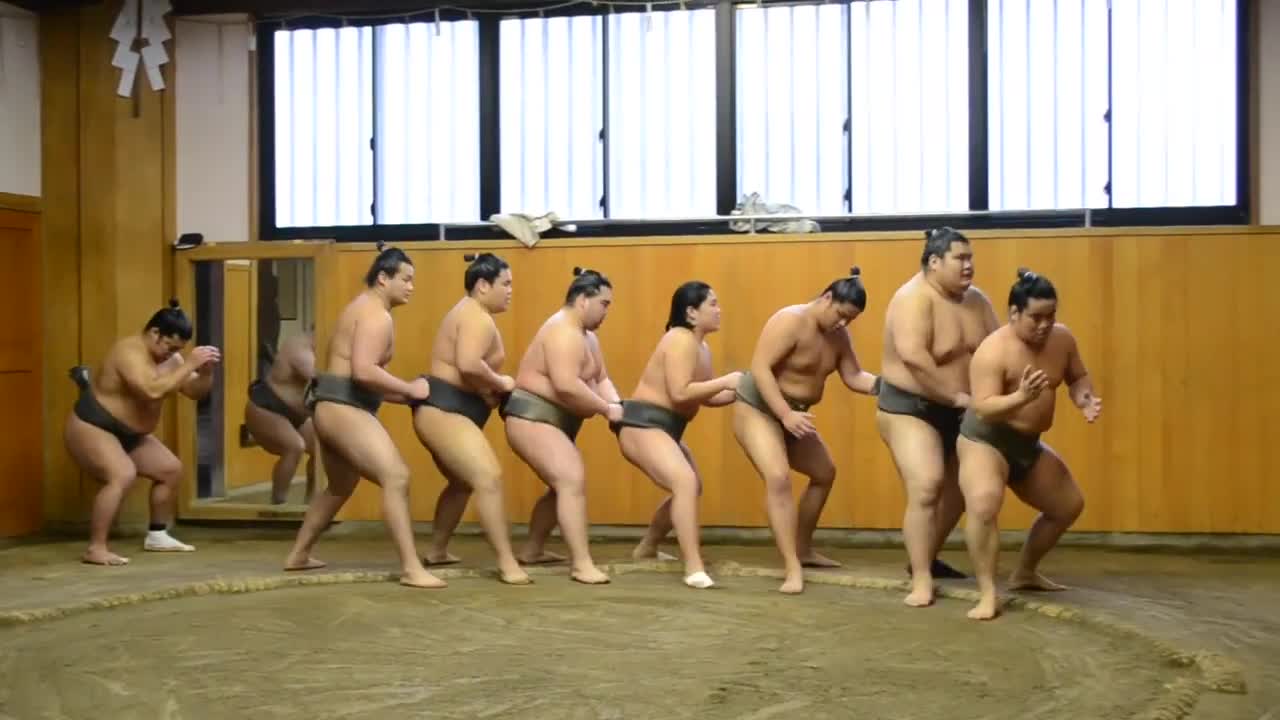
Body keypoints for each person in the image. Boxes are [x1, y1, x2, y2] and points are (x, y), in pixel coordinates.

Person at [281, 241, 444, 589]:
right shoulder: (375, 314)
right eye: (406, 279)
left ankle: (299, 554)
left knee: (340, 486)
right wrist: (410, 388)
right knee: (396, 477)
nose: (411, 287)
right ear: (383, 278)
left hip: (332, 405)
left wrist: (405, 396)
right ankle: (411, 567)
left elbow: (360, 376)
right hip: (343, 408)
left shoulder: (364, 309)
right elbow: (364, 371)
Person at [958, 268, 1100, 620]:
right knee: (984, 503)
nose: (1043, 325)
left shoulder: (1062, 340)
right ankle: (988, 593)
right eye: (1035, 317)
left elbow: (1077, 376)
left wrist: (1084, 398)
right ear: (1014, 313)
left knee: (1068, 505)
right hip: (985, 440)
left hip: (1028, 444)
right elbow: (983, 407)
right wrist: (1021, 397)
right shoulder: (993, 351)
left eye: (1050, 316)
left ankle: (1024, 572)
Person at [732, 268, 881, 594]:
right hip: (758, 408)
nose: (843, 324)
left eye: (850, 320)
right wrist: (784, 415)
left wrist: (888, 387)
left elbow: (854, 376)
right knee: (778, 476)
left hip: (794, 417)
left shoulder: (839, 336)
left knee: (824, 472)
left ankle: (802, 547)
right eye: (841, 315)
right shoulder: (790, 320)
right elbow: (760, 368)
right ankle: (791, 567)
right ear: (827, 298)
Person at [877, 227, 998, 607]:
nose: (969, 266)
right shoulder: (912, 299)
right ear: (934, 262)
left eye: (970, 258)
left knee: (963, 491)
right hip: (911, 408)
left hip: (962, 409)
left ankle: (924, 560)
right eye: (960, 259)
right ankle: (922, 581)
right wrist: (955, 395)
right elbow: (914, 358)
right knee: (927, 486)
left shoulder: (977, 301)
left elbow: (1000, 346)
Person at [64, 299, 220, 566]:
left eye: (177, 351)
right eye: (169, 347)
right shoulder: (128, 352)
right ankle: (96, 548)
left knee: (170, 469)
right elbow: (151, 390)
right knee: (121, 474)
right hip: (94, 425)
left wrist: (204, 373)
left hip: (131, 434)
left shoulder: (173, 360)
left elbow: (195, 392)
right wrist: (187, 365)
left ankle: (157, 535)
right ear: (154, 333)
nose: (170, 355)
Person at [410, 252, 529, 585]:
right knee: (488, 478)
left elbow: (469, 369)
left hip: (447, 409)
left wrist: (487, 390)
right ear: (482, 285)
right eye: (505, 284)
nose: (509, 291)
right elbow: (468, 363)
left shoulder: (473, 314)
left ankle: (437, 550)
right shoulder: (476, 316)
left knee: (462, 483)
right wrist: (501, 382)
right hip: (445, 410)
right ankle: (507, 563)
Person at [613, 281, 742, 589]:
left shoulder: (701, 347)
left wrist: (741, 391)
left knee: (690, 486)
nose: (719, 309)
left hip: (665, 429)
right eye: (712, 303)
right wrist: (728, 379)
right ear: (691, 313)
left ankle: (647, 548)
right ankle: (693, 566)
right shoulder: (679, 338)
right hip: (642, 424)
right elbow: (680, 392)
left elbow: (705, 396)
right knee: (684, 481)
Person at [501, 266, 624, 585]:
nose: (607, 311)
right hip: (531, 416)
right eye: (604, 304)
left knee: (562, 484)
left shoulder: (588, 338)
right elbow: (567, 385)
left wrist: (617, 405)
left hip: (557, 420)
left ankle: (532, 549)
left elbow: (602, 378)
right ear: (584, 300)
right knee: (570, 477)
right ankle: (581, 564)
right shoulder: (562, 331)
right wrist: (605, 409)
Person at [243, 330, 317, 504]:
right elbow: (324, 381)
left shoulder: (325, 351)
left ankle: (311, 503)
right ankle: (278, 503)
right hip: (266, 407)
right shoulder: (299, 347)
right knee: (295, 447)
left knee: (323, 448)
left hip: (297, 415)